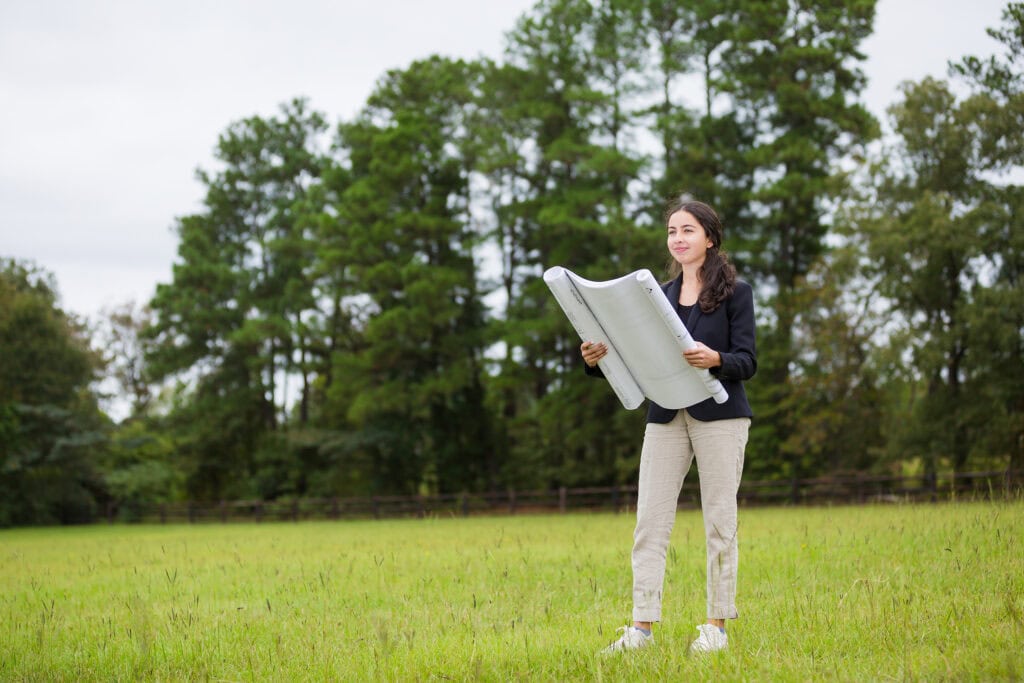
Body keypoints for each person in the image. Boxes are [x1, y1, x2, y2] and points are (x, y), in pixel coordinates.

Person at [582, 197, 756, 655]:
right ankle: (641, 629)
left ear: (710, 238)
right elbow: (639, 359)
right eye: (672, 232)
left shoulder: (737, 293)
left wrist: (716, 359)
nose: (678, 239)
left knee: (720, 521)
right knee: (649, 524)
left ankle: (715, 626)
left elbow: (748, 360)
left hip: (720, 416)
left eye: (688, 231)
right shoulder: (654, 295)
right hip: (664, 416)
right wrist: (598, 361)